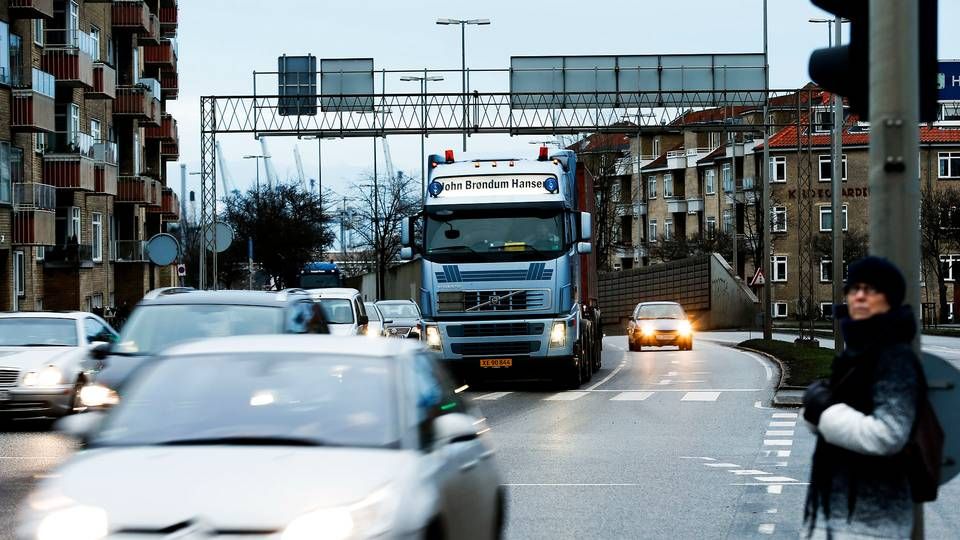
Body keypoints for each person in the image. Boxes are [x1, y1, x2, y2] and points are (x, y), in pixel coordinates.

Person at [802, 256, 924, 539]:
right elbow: (831, 415)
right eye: (854, 288)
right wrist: (815, 407)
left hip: (873, 519)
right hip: (837, 511)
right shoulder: (855, 354)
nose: (859, 295)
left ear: (889, 298)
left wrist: (824, 410)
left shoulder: (895, 358)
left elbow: (889, 434)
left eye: (870, 289)